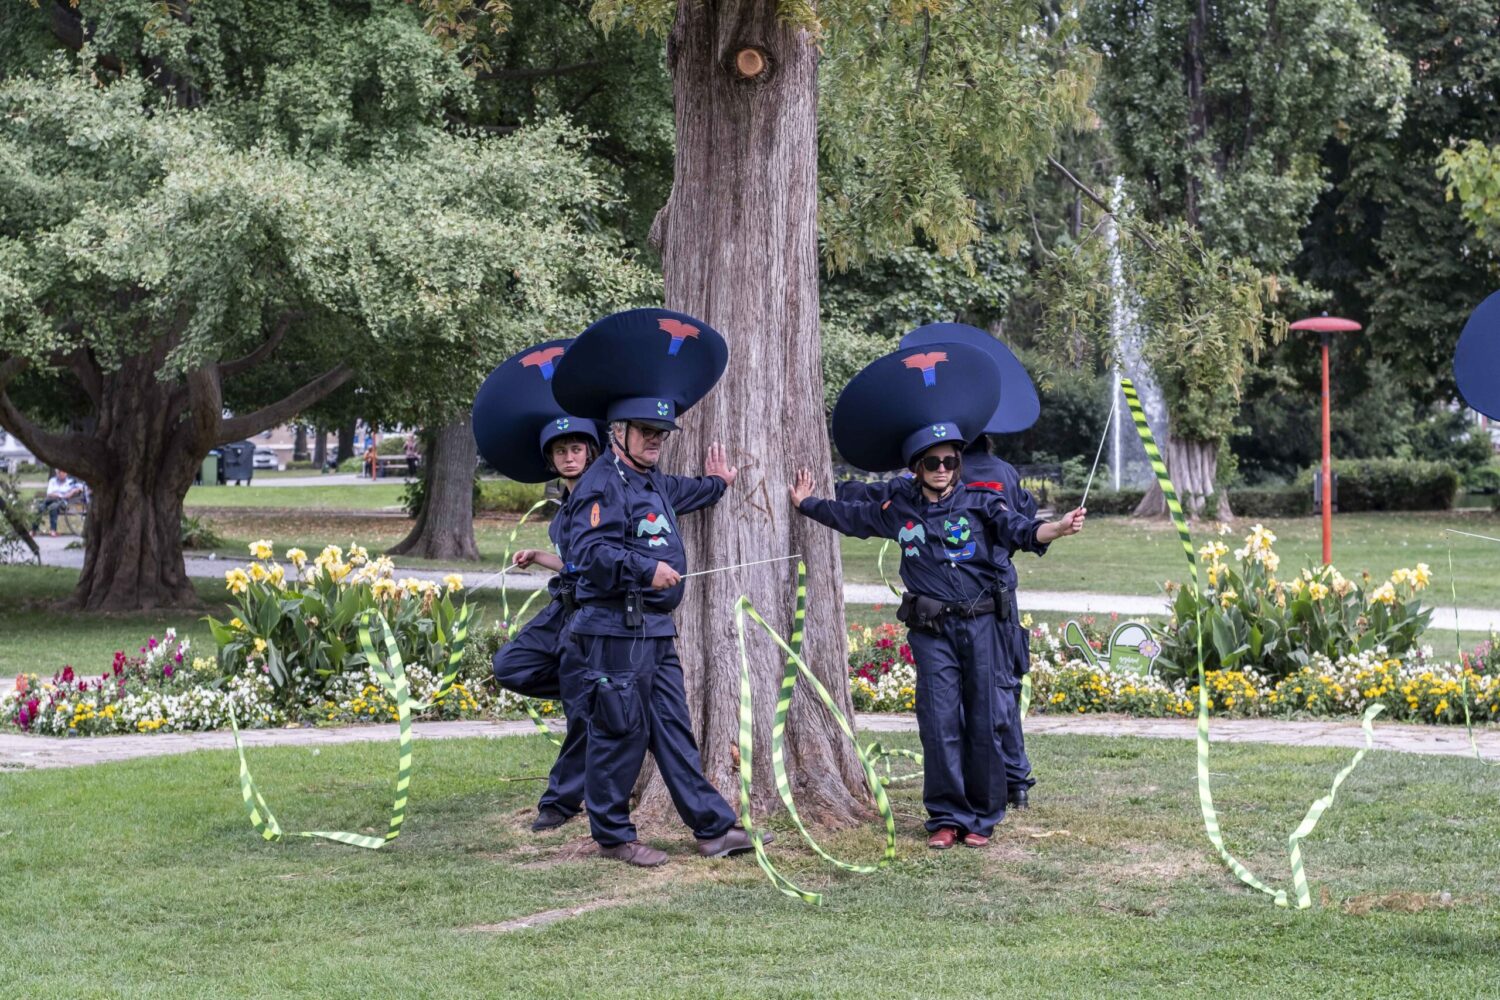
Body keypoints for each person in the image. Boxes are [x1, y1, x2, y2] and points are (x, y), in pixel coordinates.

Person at [794, 342, 1086, 850]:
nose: (944, 470)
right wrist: (806, 504)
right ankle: (946, 817)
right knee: (938, 721)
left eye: (951, 461)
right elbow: (852, 518)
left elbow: (1020, 531)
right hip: (932, 631)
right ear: (917, 467)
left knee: (983, 719)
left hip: (982, 624)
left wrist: (1056, 529)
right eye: (933, 463)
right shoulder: (898, 509)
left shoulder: (982, 503)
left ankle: (983, 817)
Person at [549, 307, 764, 867]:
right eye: (647, 432)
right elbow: (588, 553)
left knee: (672, 728)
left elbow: (685, 494)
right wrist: (645, 570)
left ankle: (713, 828)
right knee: (619, 732)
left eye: (662, 433)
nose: (656, 441)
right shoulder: (600, 483)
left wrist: (717, 484)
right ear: (617, 432)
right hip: (614, 632)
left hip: (654, 631)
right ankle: (612, 836)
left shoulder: (650, 480)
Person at [836, 322, 1041, 808]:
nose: (942, 467)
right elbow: (1025, 522)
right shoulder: (1005, 475)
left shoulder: (942, 480)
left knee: (973, 697)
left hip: (976, 599)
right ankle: (1014, 781)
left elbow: (870, 496)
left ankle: (995, 785)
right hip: (996, 595)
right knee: (998, 692)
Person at [472, 339, 602, 832]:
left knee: (581, 711)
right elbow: (576, 561)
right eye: (561, 451)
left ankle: (560, 802)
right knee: (510, 666)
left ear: (590, 451)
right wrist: (540, 557)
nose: (569, 457)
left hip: (589, 616)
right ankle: (587, 690)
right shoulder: (566, 505)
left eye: (576, 448)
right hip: (559, 611)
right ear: (551, 459)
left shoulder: (605, 497)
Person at [38, 469, 83, 537]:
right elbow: (49, 493)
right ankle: (33, 530)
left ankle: (53, 530)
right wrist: (62, 495)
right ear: (57, 473)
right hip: (51, 500)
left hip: (62, 502)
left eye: (63, 472)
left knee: (53, 507)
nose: (61, 474)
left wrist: (73, 491)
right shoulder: (52, 481)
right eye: (59, 472)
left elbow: (81, 487)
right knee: (40, 507)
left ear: (66, 473)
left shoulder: (70, 482)